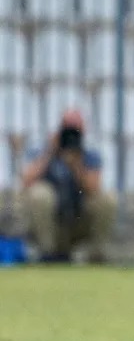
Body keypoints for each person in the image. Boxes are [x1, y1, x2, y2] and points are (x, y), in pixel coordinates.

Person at [19, 108, 117, 263]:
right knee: (39, 193)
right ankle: (48, 253)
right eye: (68, 129)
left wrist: (76, 165)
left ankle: (96, 254)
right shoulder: (43, 151)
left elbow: (93, 188)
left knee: (108, 199)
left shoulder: (89, 155)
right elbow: (26, 181)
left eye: (75, 130)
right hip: (51, 223)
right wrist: (50, 152)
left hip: (77, 220)